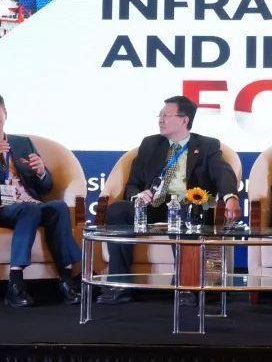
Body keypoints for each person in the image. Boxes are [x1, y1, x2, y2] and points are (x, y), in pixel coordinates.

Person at [97, 95, 241, 305]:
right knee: (118, 210)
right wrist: (139, 195)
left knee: (186, 213)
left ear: (184, 120)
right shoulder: (150, 144)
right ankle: (120, 285)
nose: (161, 120)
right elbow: (133, 183)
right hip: (153, 205)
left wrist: (230, 197)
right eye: (160, 115)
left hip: (187, 206)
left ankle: (185, 287)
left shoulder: (207, 145)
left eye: (166, 115)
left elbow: (222, 172)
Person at [0, 91, 81, 307]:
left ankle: (66, 280)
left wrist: (41, 172)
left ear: (5, 113)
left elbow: (45, 188)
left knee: (58, 207)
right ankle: (15, 283)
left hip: (31, 204)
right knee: (29, 209)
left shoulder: (23, 143)